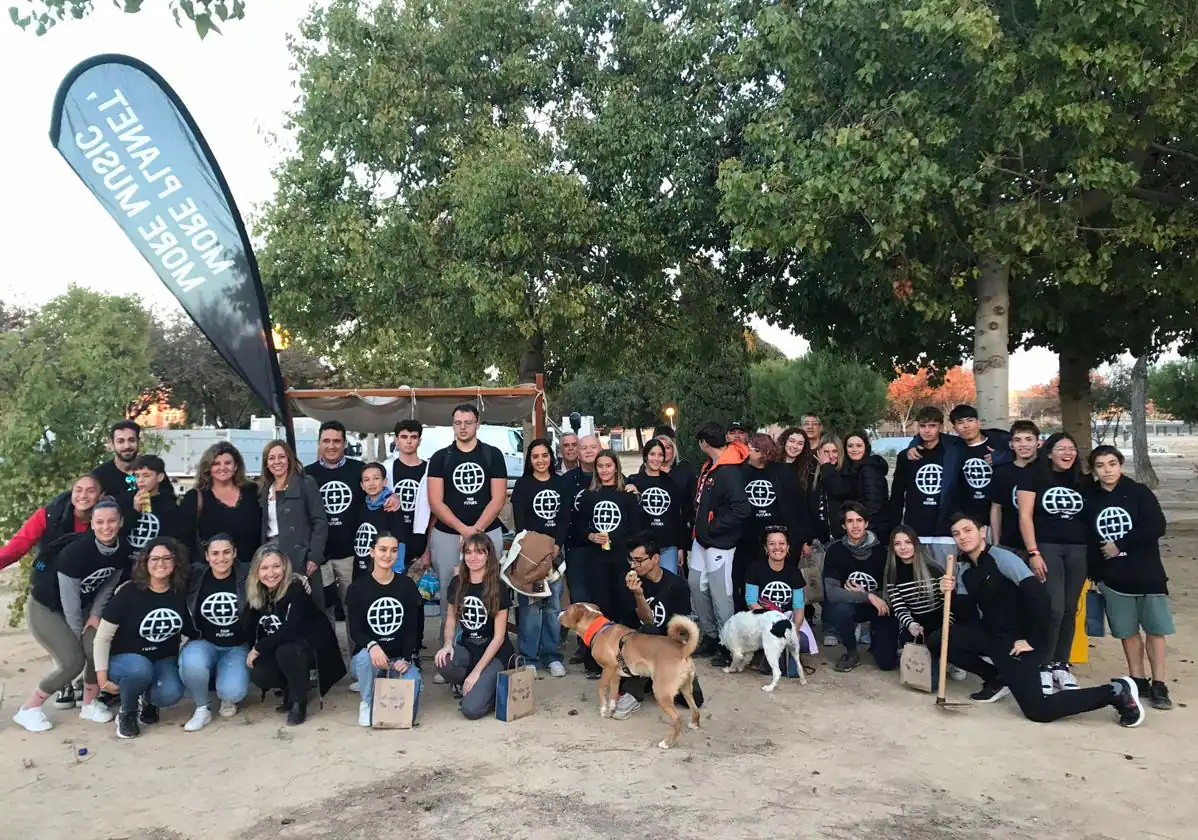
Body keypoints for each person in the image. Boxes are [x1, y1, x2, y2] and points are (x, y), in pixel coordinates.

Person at [942, 513, 1144, 726]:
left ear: (982, 532)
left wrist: (1031, 640)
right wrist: (949, 592)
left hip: (1018, 641)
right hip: (992, 636)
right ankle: (996, 679)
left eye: (968, 530)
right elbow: (966, 615)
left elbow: (1039, 597)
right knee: (940, 639)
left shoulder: (1002, 558)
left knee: (1038, 710)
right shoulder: (963, 569)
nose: (963, 537)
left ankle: (1115, 691)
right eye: (957, 533)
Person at [11, 496, 125, 732]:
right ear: (92, 524)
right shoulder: (77, 551)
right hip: (47, 608)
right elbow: (69, 600)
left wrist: (95, 615)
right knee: (72, 661)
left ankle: (89, 704)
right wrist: (75, 636)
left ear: (120, 522)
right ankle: (29, 709)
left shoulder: (120, 550)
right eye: (100, 522)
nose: (106, 527)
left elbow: (108, 585)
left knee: (96, 646)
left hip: (81, 609)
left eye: (111, 521)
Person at [1, 475, 103, 711]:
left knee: (93, 646)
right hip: (51, 595)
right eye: (78, 490)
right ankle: (55, 689)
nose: (83, 496)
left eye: (90, 491)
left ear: (100, 495)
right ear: (71, 491)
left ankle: (89, 697)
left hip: (86, 595)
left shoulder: (105, 519)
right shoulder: (49, 515)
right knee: (69, 655)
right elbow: (17, 546)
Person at [1086, 445, 1173, 710]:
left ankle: (1159, 683)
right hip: (1114, 579)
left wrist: (1120, 544)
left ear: (1120, 465)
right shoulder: (1090, 498)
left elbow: (1157, 526)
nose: (1107, 470)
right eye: (1100, 466)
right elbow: (1088, 539)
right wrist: (1096, 574)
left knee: (1156, 630)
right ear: (1094, 470)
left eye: (1112, 463)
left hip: (1148, 574)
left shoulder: (1138, 493)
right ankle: (1138, 679)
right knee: (1128, 632)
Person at [93, 537, 195, 739]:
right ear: (145, 562)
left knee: (172, 692)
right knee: (140, 669)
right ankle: (127, 713)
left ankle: (147, 701)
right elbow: (103, 637)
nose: (161, 564)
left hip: (162, 659)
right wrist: (102, 677)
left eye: (167, 558)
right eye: (154, 558)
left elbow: (190, 631)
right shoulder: (129, 592)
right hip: (125, 661)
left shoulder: (179, 592)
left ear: (175, 563)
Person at [427, 403, 508, 637]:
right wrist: (464, 530)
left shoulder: (492, 454)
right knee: (448, 593)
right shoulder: (440, 457)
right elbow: (435, 501)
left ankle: (488, 648)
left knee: (489, 590)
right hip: (448, 534)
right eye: (458, 423)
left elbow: (498, 498)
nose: (462, 427)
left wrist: (476, 532)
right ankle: (449, 649)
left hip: (487, 532)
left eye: (468, 422)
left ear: (478, 424)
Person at [1017, 432, 1089, 693]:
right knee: (1054, 607)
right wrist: (1033, 551)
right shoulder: (1033, 475)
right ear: (1048, 452)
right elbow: (1025, 516)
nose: (1067, 453)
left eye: (1071, 448)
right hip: (1047, 547)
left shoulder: (1083, 479)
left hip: (1079, 549)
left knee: (1071, 608)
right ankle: (1044, 664)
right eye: (1061, 448)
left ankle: (1062, 663)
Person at [244, 543, 346, 726]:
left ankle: (299, 700)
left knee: (287, 651)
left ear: (285, 566)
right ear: (256, 572)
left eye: (276, 566)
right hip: (280, 644)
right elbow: (251, 627)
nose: (271, 573)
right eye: (264, 568)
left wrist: (258, 648)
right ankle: (288, 690)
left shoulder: (295, 589)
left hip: (310, 645)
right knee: (260, 672)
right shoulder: (257, 594)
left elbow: (290, 630)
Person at [611, 531, 704, 721]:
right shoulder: (628, 580)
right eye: (631, 560)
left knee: (694, 700)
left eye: (638, 560)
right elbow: (647, 621)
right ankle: (634, 693)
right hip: (636, 645)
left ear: (654, 559)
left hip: (668, 647)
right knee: (649, 631)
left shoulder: (677, 585)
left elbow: (685, 627)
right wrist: (638, 594)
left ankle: (654, 680)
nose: (633, 565)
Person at [689, 421, 751, 665]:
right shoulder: (710, 466)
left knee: (721, 593)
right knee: (696, 584)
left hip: (720, 542)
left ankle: (730, 645)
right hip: (700, 539)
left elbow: (741, 509)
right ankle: (712, 636)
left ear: (704, 443)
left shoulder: (730, 470)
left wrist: (713, 526)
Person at [346, 533, 424, 727]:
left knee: (414, 684)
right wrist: (372, 645)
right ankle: (367, 701)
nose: (388, 555)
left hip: (397, 658)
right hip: (368, 659)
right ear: (371, 552)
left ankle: (386, 682)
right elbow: (355, 631)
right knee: (365, 658)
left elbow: (412, 626)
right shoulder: (357, 588)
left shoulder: (406, 585)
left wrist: (407, 658)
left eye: (393, 550)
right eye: (382, 549)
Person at [577, 449, 644, 675]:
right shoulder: (588, 496)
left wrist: (615, 538)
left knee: (622, 607)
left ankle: (624, 657)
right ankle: (595, 660)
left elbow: (635, 531)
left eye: (608, 465)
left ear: (616, 467)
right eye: (600, 466)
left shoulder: (626, 496)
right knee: (599, 609)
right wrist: (591, 536)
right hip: (596, 560)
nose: (604, 470)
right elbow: (579, 528)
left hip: (620, 559)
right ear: (595, 470)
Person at [435, 533, 514, 719]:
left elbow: (499, 637)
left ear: (488, 556)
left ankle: (490, 688)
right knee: (443, 660)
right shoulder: (457, 583)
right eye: (468, 552)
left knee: (471, 710)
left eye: (479, 552)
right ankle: (471, 683)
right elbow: (451, 619)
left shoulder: (498, 587)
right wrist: (447, 644)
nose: (473, 557)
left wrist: (477, 672)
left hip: (495, 655)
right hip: (469, 649)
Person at [509, 438, 570, 676]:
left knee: (553, 605)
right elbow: (520, 523)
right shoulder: (523, 485)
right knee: (531, 607)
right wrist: (536, 550)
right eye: (535, 456)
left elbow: (565, 517)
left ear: (551, 458)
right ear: (529, 460)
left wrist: (557, 545)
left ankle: (552, 655)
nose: (541, 460)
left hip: (555, 553)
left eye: (545, 455)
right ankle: (529, 657)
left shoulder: (561, 483)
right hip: (530, 555)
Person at [178, 534, 252, 731]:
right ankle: (202, 707)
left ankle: (227, 695)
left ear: (235, 553)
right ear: (207, 556)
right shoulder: (195, 576)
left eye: (227, 552)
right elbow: (165, 576)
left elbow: (272, 574)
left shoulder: (246, 573)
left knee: (234, 692)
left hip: (237, 646)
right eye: (215, 553)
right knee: (191, 663)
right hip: (204, 641)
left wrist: (296, 577)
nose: (221, 559)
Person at [822, 502, 897, 672]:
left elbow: (891, 590)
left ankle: (877, 639)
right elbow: (832, 593)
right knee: (840, 609)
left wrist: (869, 594)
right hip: (854, 605)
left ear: (867, 523)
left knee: (887, 663)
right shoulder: (835, 551)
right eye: (850, 521)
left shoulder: (882, 552)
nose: (855, 525)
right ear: (843, 525)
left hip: (881, 607)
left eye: (859, 520)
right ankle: (851, 651)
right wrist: (867, 596)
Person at [737, 434, 808, 610]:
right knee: (749, 580)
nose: (746, 452)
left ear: (762, 451)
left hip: (778, 537)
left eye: (751, 449)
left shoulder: (783, 472)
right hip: (747, 540)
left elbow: (799, 504)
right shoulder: (740, 472)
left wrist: (805, 537)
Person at [305, 420, 367, 614]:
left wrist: (392, 498)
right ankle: (328, 646)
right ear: (319, 443)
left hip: (351, 555)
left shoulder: (360, 471)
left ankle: (357, 646)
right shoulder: (306, 474)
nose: (331, 446)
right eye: (326, 441)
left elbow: (377, 497)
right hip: (319, 556)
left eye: (336, 441)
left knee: (354, 609)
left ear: (345, 444)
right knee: (323, 611)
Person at [261, 439, 330, 610]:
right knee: (278, 605)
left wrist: (314, 556)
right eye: (271, 458)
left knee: (309, 606)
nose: (277, 462)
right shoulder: (263, 489)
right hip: (272, 553)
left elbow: (319, 522)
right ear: (266, 463)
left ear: (289, 459)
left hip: (300, 553)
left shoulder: (305, 483)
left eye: (281, 457)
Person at [177, 442, 261, 571]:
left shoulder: (253, 492)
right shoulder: (195, 498)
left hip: (252, 571)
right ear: (208, 468)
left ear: (236, 466)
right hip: (211, 574)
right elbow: (183, 541)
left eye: (227, 463)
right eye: (216, 464)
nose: (222, 467)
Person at [891, 407, 956, 566]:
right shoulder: (906, 456)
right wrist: (894, 527)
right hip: (915, 528)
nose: (927, 430)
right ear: (916, 427)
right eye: (923, 426)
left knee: (946, 581)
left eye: (932, 426)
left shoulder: (952, 452)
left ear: (940, 427)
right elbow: (897, 494)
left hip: (945, 531)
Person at [561, 433, 601, 663]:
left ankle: (601, 642)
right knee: (579, 597)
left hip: (603, 549)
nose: (587, 451)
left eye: (591, 447)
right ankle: (583, 646)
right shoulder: (567, 481)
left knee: (600, 597)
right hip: (576, 547)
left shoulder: (609, 474)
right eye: (583, 447)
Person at [627, 439, 687, 574]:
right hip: (642, 546)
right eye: (652, 454)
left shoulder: (671, 484)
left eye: (660, 455)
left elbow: (677, 518)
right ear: (645, 456)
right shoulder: (633, 481)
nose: (656, 459)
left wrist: (680, 548)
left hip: (667, 546)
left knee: (668, 586)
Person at [118, 454, 181, 569]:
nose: (140, 481)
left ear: (160, 477)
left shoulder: (169, 506)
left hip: (155, 566)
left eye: (146, 476)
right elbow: (118, 532)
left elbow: (172, 540)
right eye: (137, 476)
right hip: (127, 564)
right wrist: (134, 511)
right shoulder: (125, 500)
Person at [988, 420, 1040, 553]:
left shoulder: (1045, 470)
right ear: (1011, 444)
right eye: (1017, 440)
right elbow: (996, 508)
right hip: (1010, 542)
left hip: (1041, 542)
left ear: (1038, 443)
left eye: (1029, 439)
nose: (1023, 444)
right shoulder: (1001, 472)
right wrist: (996, 542)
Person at [386, 419, 431, 573]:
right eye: (404, 437)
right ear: (396, 440)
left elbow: (434, 511)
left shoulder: (429, 470)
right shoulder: (386, 469)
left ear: (419, 441)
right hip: (392, 539)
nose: (409, 441)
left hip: (419, 539)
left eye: (413, 437)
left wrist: (428, 549)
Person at [92, 419, 175, 498]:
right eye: (120, 441)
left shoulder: (152, 469)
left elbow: (169, 500)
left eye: (131, 440)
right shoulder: (100, 475)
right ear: (112, 443)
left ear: (139, 442)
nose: (127, 446)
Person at [358, 462, 411, 580]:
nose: (371, 483)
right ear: (362, 485)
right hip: (363, 564)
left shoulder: (392, 506)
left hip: (385, 567)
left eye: (376, 478)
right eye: (366, 480)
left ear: (385, 482)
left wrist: (397, 568)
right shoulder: (361, 505)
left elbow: (400, 538)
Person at [839, 431, 892, 539]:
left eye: (859, 446)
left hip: (871, 531)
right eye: (850, 446)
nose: (854, 449)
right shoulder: (853, 468)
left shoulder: (869, 469)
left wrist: (865, 532)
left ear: (866, 447)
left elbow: (874, 506)